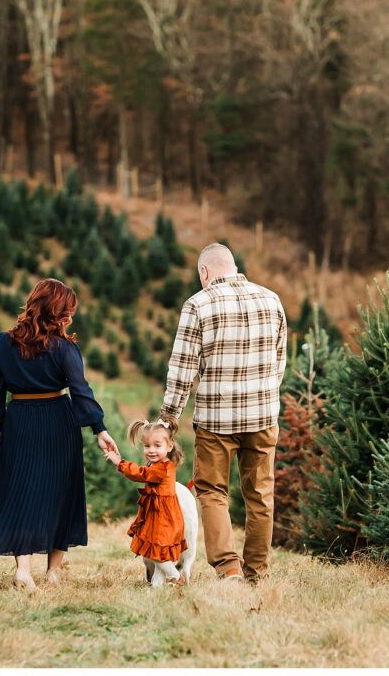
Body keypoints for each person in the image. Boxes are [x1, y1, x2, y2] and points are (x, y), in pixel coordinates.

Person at [0, 278, 117, 591]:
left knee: (22, 491)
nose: (71, 317)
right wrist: (98, 428)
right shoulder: (65, 348)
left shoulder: (2, 342)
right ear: (58, 311)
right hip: (58, 422)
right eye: (69, 311)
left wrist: (3, 423)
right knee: (62, 492)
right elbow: (80, 390)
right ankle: (52, 572)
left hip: (19, 420)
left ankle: (23, 569)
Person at [160, 243, 288, 584]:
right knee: (260, 495)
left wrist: (169, 418)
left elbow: (182, 368)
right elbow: (279, 361)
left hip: (218, 420)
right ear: (232, 266)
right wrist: (265, 397)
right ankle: (257, 572)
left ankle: (228, 568)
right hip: (263, 418)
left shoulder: (198, 304)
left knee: (213, 491)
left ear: (205, 272)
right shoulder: (271, 299)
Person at [103, 418, 188, 587]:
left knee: (156, 554)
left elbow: (141, 474)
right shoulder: (160, 464)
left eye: (157, 446)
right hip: (158, 516)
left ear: (169, 446)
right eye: (147, 446)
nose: (151, 450)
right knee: (155, 552)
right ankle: (157, 587)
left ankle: (176, 578)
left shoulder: (162, 468)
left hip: (163, 519)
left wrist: (119, 463)